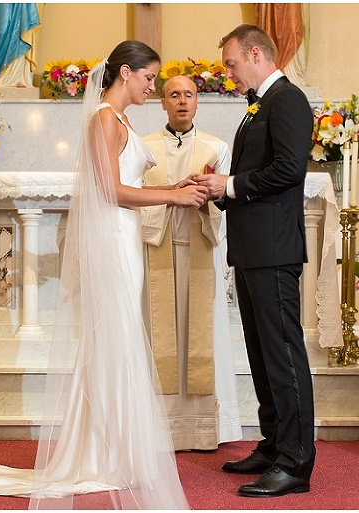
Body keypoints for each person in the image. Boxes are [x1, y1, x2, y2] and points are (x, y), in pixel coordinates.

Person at [0, 41, 207, 509]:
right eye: (149, 78)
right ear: (125, 72)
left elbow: (127, 183)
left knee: (118, 339)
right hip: (112, 236)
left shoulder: (122, 119)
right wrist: (172, 195)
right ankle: (99, 451)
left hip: (124, 236)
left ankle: (109, 447)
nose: (154, 87)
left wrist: (176, 187)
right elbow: (109, 190)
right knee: (113, 338)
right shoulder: (105, 119)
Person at [192, 24, 315, 498]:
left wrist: (232, 185)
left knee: (283, 354)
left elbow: (290, 168)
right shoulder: (258, 106)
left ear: (256, 53)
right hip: (252, 249)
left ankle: (296, 461)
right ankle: (274, 442)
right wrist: (219, 185)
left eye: (231, 63)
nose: (227, 73)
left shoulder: (287, 100)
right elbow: (257, 173)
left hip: (275, 250)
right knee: (263, 357)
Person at [141, 74, 242, 451]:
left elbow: (226, 200)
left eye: (189, 94)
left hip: (201, 245)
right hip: (158, 247)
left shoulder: (216, 148)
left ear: (198, 102)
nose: (182, 101)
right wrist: (172, 194)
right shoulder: (144, 147)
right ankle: (159, 428)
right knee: (159, 333)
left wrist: (207, 197)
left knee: (205, 333)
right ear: (163, 103)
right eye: (174, 95)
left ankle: (204, 429)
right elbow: (133, 194)